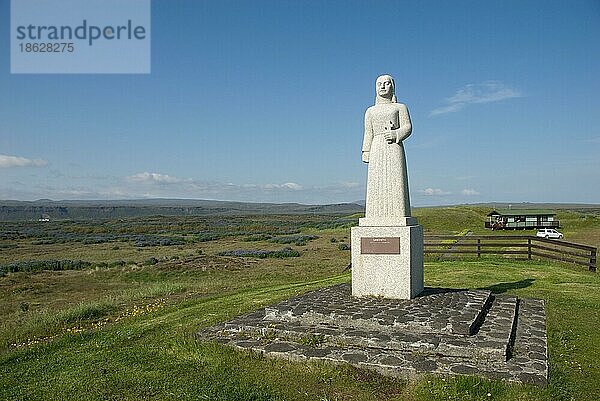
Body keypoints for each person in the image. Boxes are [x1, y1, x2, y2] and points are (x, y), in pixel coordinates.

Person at [362, 74, 413, 219]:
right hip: (376, 147)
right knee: (375, 182)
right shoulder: (370, 111)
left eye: (386, 83)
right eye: (379, 84)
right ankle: (374, 216)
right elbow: (368, 132)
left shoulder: (400, 107)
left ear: (393, 86)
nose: (383, 86)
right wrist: (366, 150)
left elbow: (408, 126)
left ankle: (398, 214)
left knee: (397, 181)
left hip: (393, 146)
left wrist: (396, 134)